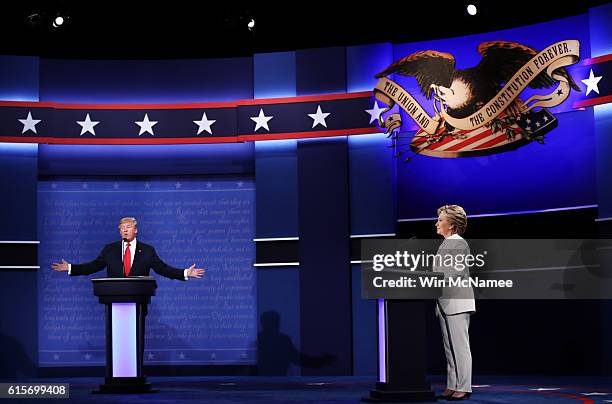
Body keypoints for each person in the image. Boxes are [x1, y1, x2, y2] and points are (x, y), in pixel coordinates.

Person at [51, 217, 205, 280]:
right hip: (113, 298)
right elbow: (93, 266)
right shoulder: (110, 250)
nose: (125, 230)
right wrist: (70, 267)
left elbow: (163, 269)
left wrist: (185, 273)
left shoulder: (147, 251)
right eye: (122, 228)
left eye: (128, 227)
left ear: (135, 230)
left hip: (138, 299)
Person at [433, 205, 475, 401]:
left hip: (457, 300)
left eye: (441, 220)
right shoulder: (445, 243)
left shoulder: (458, 243)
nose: (437, 223)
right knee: (449, 347)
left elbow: (455, 272)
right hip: (444, 301)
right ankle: (452, 384)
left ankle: (464, 387)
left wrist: (432, 279)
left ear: (451, 225)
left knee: (460, 346)